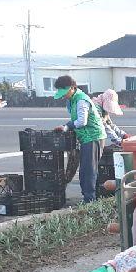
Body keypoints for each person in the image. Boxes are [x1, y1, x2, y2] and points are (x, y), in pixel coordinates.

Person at [51, 74, 106, 204]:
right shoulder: (71, 100)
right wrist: (65, 127)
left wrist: (68, 126)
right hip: (85, 138)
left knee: (88, 170)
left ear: (72, 88)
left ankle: (90, 200)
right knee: (84, 170)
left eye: (64, 92)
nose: (63, 95)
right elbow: (75, 119)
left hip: (93, 137)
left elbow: (82, 121)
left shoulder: (81, 100)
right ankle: (87, 198)